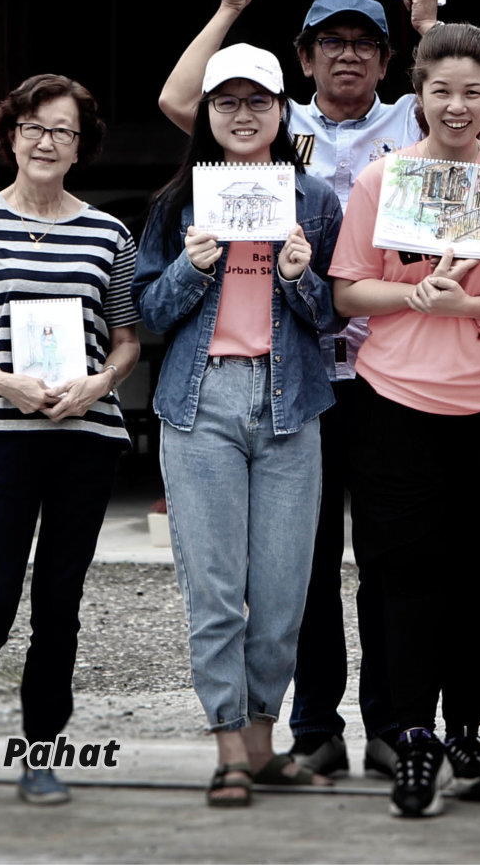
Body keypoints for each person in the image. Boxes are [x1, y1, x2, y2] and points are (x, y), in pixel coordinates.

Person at [157, 0, 480, 778]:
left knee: (389, 556)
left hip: (387, 365)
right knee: (300, 567)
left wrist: (434, 27)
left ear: (391, 61)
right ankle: (315, 726)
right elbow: (181, 97)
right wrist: (233, 4)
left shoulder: (414, 117)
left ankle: (393, 722)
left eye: (366, 42)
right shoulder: (276, 127)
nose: (348, 52)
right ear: (302, 59)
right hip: (300, 368)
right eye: (330, 41)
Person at [329, 22, 480, 818]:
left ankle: (465, 726)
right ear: (417, 96)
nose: (455, 106)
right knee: (404, 575)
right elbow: (348, 290)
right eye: (439, 92)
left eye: (471, 92)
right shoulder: (382, 179)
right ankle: (412, 734)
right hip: (396, 403)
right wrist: (414, 295)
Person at [136, 44, 345, 807]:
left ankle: (263, 742)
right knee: (216, 589)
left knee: (283, 590)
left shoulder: (316, 200)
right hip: (201, 406)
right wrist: (192, 267)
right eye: (226, 102)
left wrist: (300, 277)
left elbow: (333, 320)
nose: (243, 115)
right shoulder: (176, 204)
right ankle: (230, 744)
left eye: (257, 101)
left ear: (282, 110)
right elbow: (148, 313)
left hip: (290, 405)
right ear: (208, 115)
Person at [0, 74, 141, 811]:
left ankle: (40, 752)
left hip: (86, 434)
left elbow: (126, 341)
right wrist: (3, 383)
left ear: (82, 147)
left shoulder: (111, 233)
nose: (48, 142)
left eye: (64, 131)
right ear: (11, 134)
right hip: (6, 431)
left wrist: (97, 386)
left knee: (60, 599)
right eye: (35, 127)